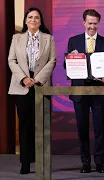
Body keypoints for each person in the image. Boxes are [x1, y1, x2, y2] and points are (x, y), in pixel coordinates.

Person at [7, 7, 56, 174]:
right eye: (30, 17)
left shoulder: (49, 38)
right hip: (21, 86)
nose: (33, 20)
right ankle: (25, 163)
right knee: (25, 124)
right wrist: (24, 78)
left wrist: (37, 79)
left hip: (40, 85)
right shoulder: (17, 38)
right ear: (26, 20)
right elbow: (11, 60)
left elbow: (52, 60)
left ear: (40, 21)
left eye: (36, 17)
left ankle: (41, 161)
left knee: (41, 126)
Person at [66, 9, 104, 173]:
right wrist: (72, 59)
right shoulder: (74, 41)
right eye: (89, 23)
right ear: (84, 22)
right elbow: (67, 66)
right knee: (82, 128)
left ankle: (100, 163)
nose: (92, 26)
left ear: (99, 23)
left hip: (99, 91)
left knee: (99, 128)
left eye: (95, 23)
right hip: (79, 91)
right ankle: (85, 162)